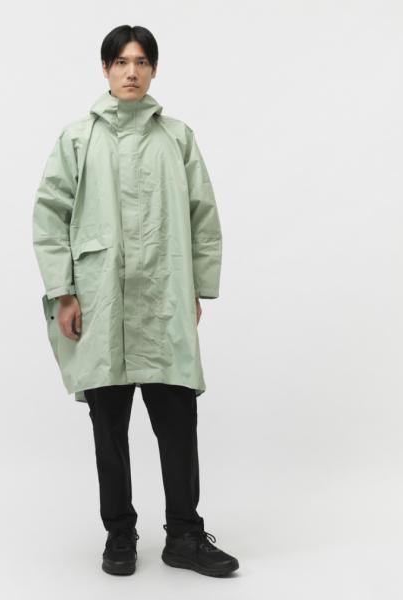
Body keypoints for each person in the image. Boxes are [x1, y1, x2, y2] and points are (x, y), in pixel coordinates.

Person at [32, 24, 240, 578]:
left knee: (178, 422)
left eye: (141, 61)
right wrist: (63, 292)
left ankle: (185, 535)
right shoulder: (78, 139)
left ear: (154, 69)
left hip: (163, 301)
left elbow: (203, 216)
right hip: (100, 302)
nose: (131, 72)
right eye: (121, 62)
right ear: (105, 69)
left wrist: (196, 287)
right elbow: (50, 216)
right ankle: (119, 534)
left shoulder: (178, 137)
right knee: (109, 429)